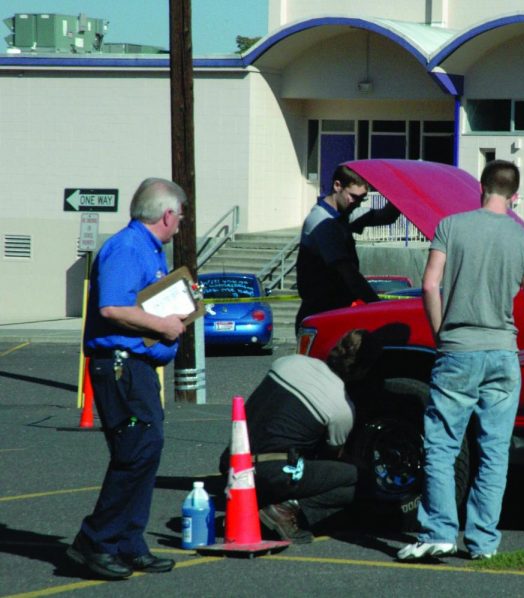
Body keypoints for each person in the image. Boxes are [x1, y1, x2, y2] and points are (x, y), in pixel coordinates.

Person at [398, 160, 524, 561]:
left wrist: (441, 333)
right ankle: (483, 541)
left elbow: (430, 285)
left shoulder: (451, 226)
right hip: (503, 354)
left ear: (481, 187)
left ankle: (440, 531)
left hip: (458, 350)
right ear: (516, 196)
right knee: (494, 451)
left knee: (441, 446)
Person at [69, 178, 189, 579]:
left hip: (135, 366)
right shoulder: (127, 247)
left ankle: (128, 542)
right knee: (135, 449)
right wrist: (164, 324)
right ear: (167, 214)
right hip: (118, 365)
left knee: (146, 449)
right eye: (181, 216)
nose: (181, 223)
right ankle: (96, 540)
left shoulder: (147, 250)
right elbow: (112, 308)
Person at [218, 329, 382, 543]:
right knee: (357, 479)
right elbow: (330, 459)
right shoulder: (341, 408)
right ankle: (286, 510)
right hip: (271, 474)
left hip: (231, 464)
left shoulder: (289, 362)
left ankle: (260, 505)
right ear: (362, 370)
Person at [294, 164, 400, 335]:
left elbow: (386, 216)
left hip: (335, 311)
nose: (356, 203)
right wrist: (379, 307)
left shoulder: (345, 215)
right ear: (337, 186)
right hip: (319, 315)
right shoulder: (322, 222)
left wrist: (400, 188)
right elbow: (349, 274)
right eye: (353, 197)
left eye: (362, 199)